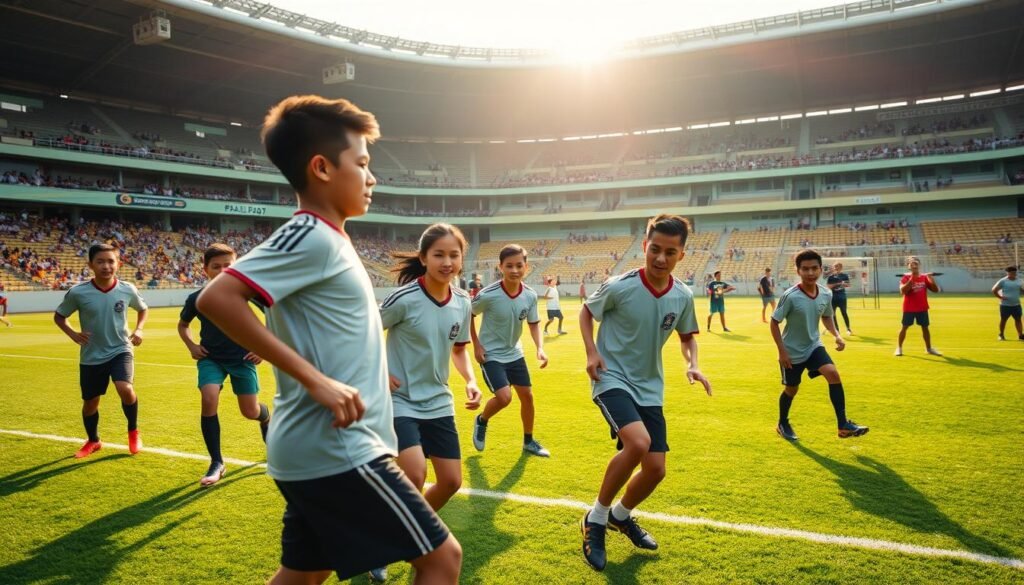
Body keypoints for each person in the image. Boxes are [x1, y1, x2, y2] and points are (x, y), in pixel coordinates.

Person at [196, 95, 461, 585]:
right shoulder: (310, 235)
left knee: (301, 577)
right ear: (321, 168)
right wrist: (317, 381)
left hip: (323, 449)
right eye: (361, 163)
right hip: (338, 448)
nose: (371, 176)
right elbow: (217, 298)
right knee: (443, 559)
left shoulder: (331, 239)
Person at [578, 214, 711, 572]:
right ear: (644, 247)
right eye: (655, 249)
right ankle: (596, 518)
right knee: (636, 444)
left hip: (650, 387)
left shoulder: (682, 295)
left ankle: (621, 516)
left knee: (655, 470)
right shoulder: (619, 285)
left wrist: (692, 364)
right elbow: (587, 313)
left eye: (670, 252)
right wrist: (592, 352)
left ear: (682, 255)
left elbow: (688, 338)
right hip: (612, 378)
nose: (660, 258)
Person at [371, 223, 482, 582]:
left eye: (454, 254)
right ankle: (387, 545)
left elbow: (460, 348)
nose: (447, 261)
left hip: (439, 403)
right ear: (423, 258)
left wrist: (470, 380)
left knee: (450, 481)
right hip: (401, 400)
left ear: (462, 259)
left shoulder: (464, 301)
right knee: (415, 473)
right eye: (439, 254)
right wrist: (378, 369)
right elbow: (364, 331)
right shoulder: (404, 299)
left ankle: (395, 534)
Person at [178, 243, 271, 487]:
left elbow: (276, 317)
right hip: (211, 358)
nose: (222, 271)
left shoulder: (248, 293)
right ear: (205, 269)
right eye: (216, 267)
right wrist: (192, 346)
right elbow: (183, 325)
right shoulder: (197, 298)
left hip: (242, 360)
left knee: (250, 412)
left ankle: (266, 418)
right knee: (209, 398)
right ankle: (217, 462)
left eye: (228, 266)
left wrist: (262, 347)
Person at [53, 243, 148, 458]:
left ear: (118, 264)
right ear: (91, 265)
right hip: (92, 354)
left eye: (111, 261)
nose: (106, 266)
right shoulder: (78, 292)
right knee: (90, 403)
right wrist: (73, 334)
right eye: (100, 261)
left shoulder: (127, 288)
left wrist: (139, 329)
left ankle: (133, 430)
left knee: (125, 388)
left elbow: (143, 309)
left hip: (120, 349)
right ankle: (93, 440)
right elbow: (60, 316)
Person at [771, 249, 868, 442]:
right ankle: (782, 423)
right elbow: (774, 322)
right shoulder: (790, 296)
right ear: (798, 271)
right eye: (805, 269)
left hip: (814, 346)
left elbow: (826, 316)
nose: (810, 273)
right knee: (792, 389)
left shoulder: (826, 293)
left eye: (814, 268)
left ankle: (843, 425)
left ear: (821, 269)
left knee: (833, 373)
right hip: (792, 352)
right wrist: (782, 352)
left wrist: (837, 335)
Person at [470, 244, 551, 458]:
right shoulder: (488, 294)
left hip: (515, 353)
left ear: (526, 267)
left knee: (527, 397)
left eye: (519, 265)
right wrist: (476, 344)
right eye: (509, 266)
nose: (514, 270)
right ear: (500, 267)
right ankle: (482, 420)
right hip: (491, 355)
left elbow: (533, 323)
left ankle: (529, 441)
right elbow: (467, 314)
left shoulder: (530, 295)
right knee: (505, 398)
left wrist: (540, 348)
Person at [896, 256, 942, 357]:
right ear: (908, 266)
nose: (914, 265)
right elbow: (903, 291)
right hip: (909, 308)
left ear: (919, 266)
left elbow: (935, 290)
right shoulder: (905, 278)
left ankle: (929, 349)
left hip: (922, 308)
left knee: (925, 328)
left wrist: (931, 279)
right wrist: (912, 279)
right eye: (911, 263)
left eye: (916, 263)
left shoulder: (924, 277)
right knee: (904, 328)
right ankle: (899, 348)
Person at [993, 265, 1023, 341]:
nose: (1014, 274)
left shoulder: (1020, 281)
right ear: (1008, 273)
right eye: (1012, 272)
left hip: (1016, 304)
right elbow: (994, 290)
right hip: (1005, 305)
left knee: (1018, 319)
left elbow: (1022, 289)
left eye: (1015, 272)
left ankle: (1020, 335)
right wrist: (1000, 297)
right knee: (1003, 320)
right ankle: (1001, 334)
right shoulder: (1003, 281)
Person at [826, 262, 853, 335]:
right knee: (833, 314)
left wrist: (844, 284)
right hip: (833, 297)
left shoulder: (844, 276)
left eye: (837, 266)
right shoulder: (831, 277)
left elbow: (848, 284)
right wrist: (837, 284)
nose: (836, 268)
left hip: (842, 297)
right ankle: (837, 330)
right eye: (835, 267)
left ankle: (848, 329)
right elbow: (828, 286)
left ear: (841, 267)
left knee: (844, 312)